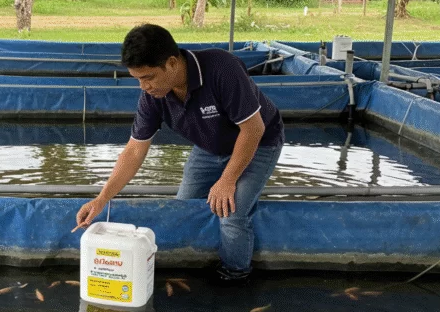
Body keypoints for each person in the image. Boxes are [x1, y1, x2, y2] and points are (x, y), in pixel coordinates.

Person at [75, 24, 284, 283]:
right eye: (138, 79)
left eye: (148, 77)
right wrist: (101, 199)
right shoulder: (152, 96)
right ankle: (190, 262)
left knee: (231, 212)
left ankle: (235, 275)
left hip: (260, 140)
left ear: (172, 63)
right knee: (183, 206)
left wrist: (227, 180)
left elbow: (253, 129)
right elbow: (134, 151)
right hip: (210, 146)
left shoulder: (222, 68)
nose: (143, 87)